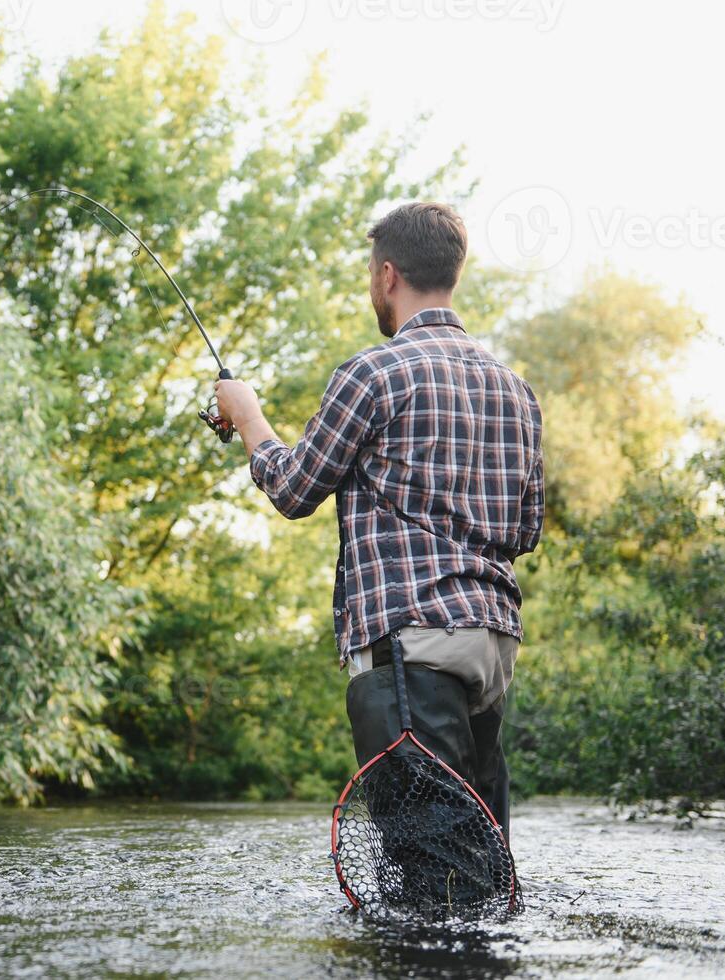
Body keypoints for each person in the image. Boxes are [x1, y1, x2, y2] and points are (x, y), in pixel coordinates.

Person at [213, 202, 543, 837]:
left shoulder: (374, 373)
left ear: (387, 275)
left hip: (410, 646)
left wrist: (248, 415)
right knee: (479, 858)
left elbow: (294, 488)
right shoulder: (517, 390)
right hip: (493, 650)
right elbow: (525, 531)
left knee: (426, 870)